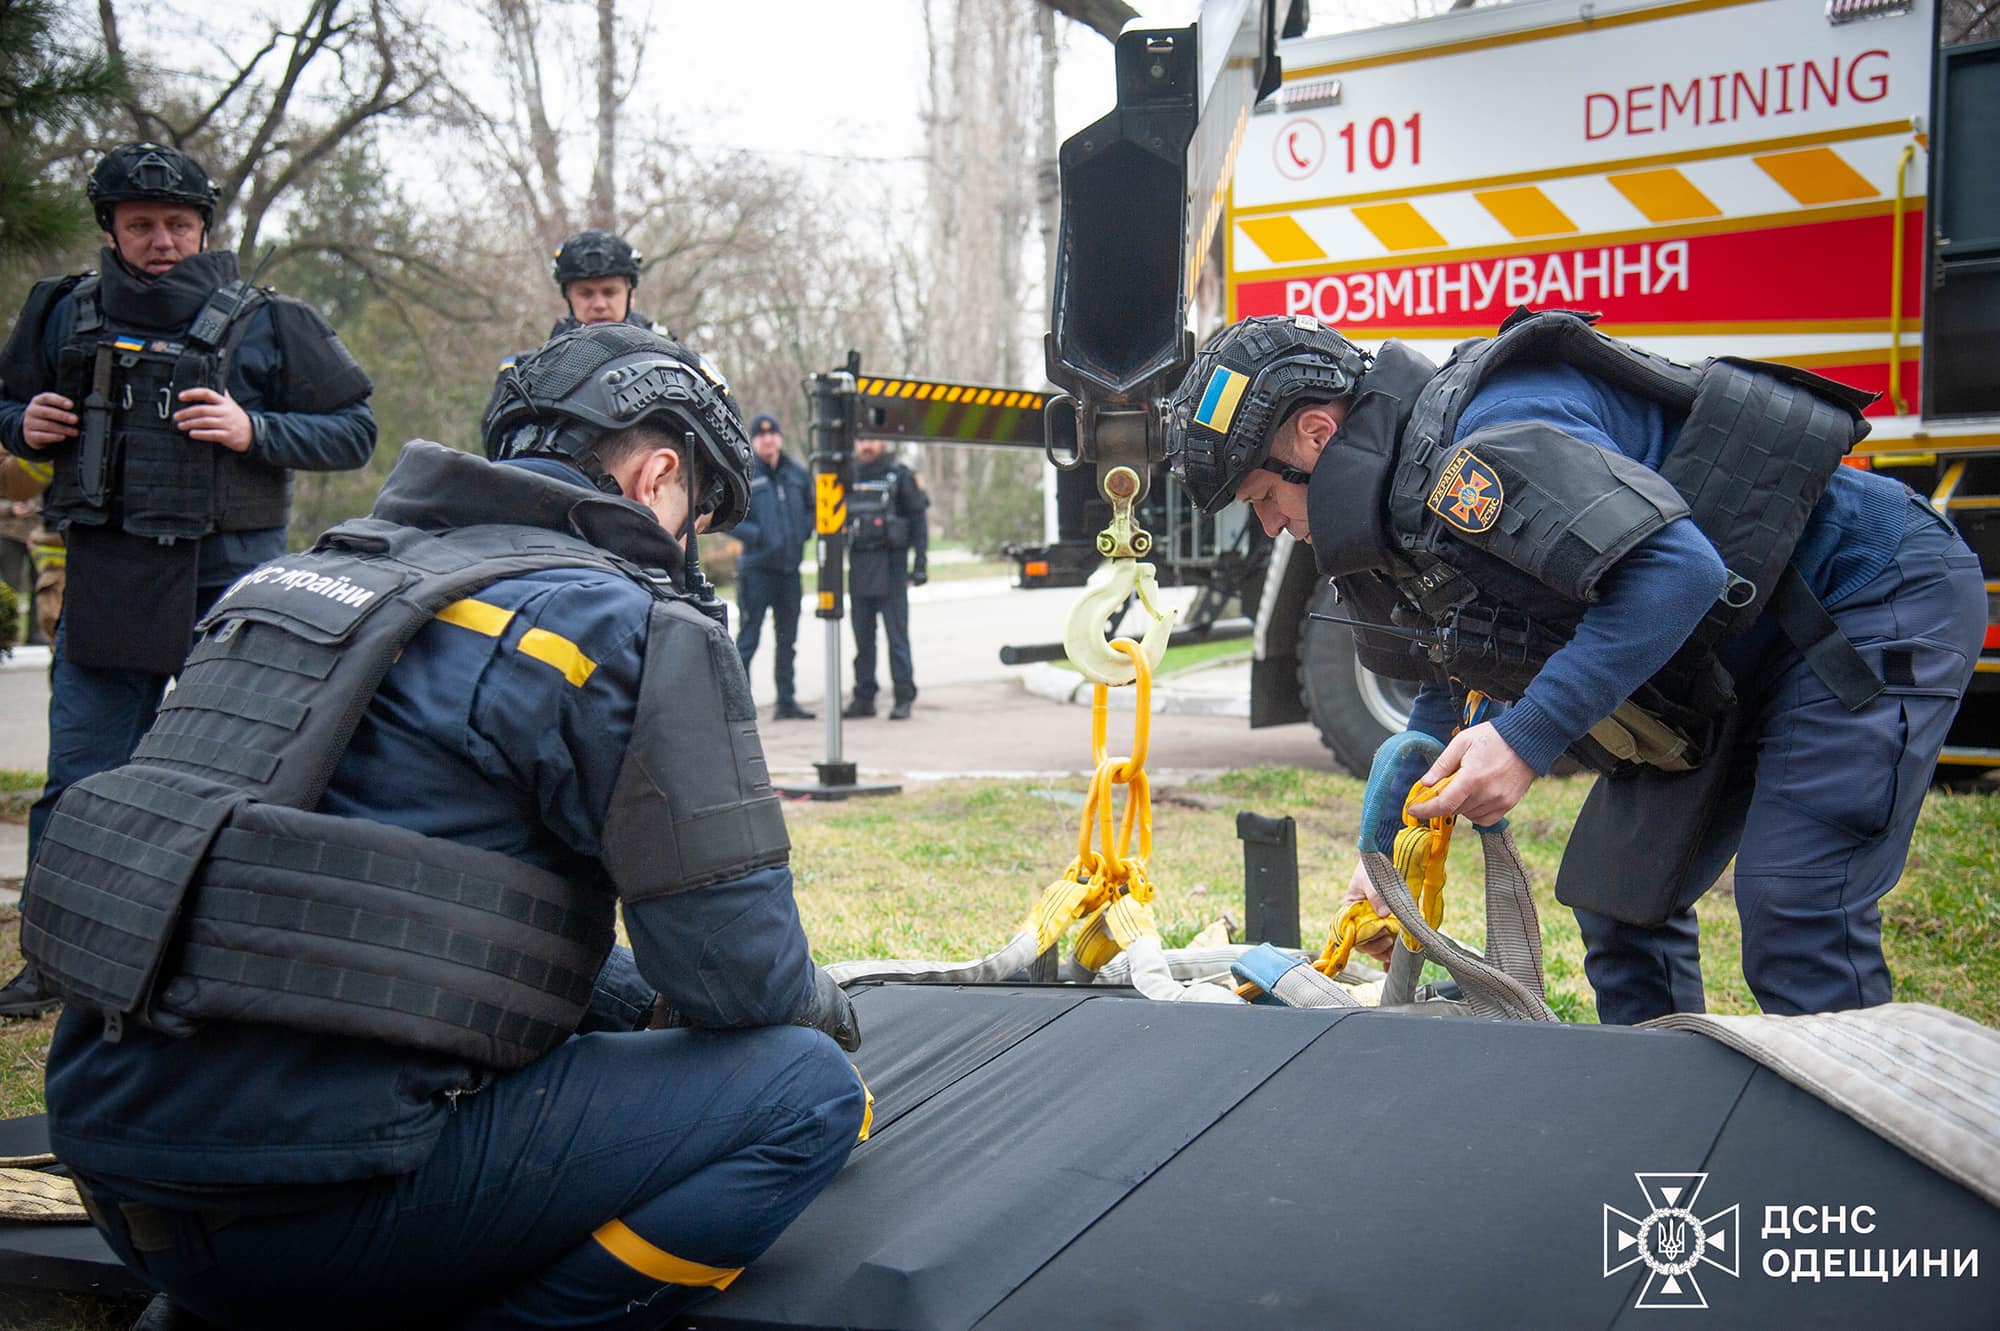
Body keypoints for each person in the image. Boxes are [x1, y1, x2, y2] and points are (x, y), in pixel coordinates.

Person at [24, 322, 867, 1330]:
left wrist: (633, 1002)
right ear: (656, 478)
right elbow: (740, 975)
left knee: (627, 995)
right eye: (700, 509)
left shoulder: (300, 582)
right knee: (807, 1089)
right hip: (326, 1208)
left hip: (124, 1181)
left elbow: (382, 896)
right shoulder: (622, 621)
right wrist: (831, 1012)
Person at [1164, 310, 1985, 1025]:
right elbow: (1454, 681)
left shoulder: (1490, 443)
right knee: (1620, 906)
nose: (1271, 525)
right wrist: (1387, 861)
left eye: (1263, 496)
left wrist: (1523, 740)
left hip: (1860, 598)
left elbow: (1679, 572)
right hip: (1714, 650)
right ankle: (1669, 1131)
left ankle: (1852, 1183)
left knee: (1796, 911)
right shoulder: (1407, 498)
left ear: (1316, 433)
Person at [0, 141, 377, 1017]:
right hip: (109, 576)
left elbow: (354, 429)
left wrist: (255, 431)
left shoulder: (269, 321)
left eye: (177, 224)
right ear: (112, 229)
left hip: (235, 584)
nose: (161, 240)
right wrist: (27, 422)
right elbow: (5, 405)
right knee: (85, 776)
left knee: (254, 778)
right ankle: (55, 959)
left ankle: (244, 959)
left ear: (204, 226)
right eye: (141, 225)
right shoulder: (60, 312)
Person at [492, 229, 665, 388]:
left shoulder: (668, 358)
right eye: (586, 294)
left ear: (631, 294)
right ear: (568, 296)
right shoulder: (525, 372)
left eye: (610, 292)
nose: (599, 305)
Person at [735, 412, 815, 720]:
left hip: (789, 570)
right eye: (762, 435)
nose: (768, 439)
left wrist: (803, 532)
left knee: (787, 640)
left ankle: (786, 701)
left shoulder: (796, 472)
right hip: (757, 570)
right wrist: (757, 536)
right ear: (755, 440)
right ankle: (739, 708)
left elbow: (811, 507)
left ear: (779, 437)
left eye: (773, 433)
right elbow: (728, 515)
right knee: (749, 638)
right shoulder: (746, 472)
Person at [843, 436, 927, 720]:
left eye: (872, 439)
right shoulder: (847, 475)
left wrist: (920, 563)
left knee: (897, 637)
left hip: (892, 567)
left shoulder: (900, 475)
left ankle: (903, 695)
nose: (866, 445)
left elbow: (918, 520)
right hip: (859, 566)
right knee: (862, 638)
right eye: (861, 439)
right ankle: (864, 696)